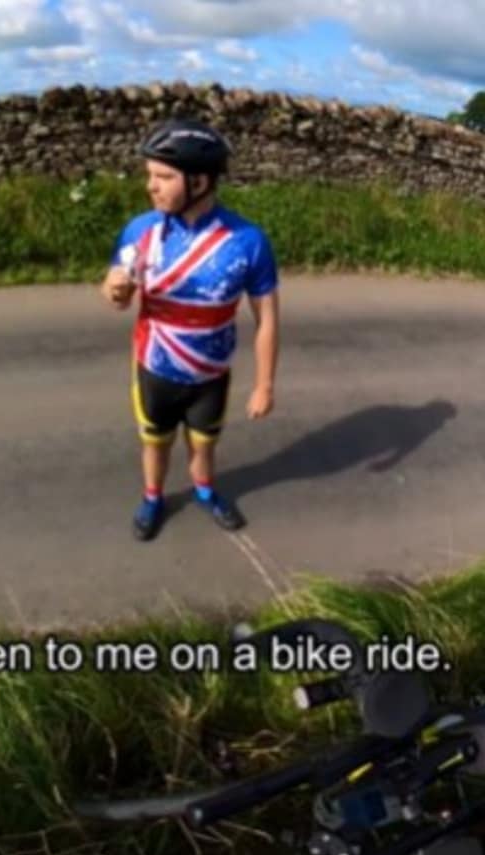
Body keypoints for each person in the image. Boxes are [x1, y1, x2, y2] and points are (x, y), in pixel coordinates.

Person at [100, 119, 281, 541]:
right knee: (156, 444)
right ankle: (152, 498)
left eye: (163, 176)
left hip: (210, 375)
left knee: (204, 445)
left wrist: (265, 385)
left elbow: (267, 317)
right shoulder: (142, 229)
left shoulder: (248, 241)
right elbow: (114, 289)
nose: (151, 186)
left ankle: (204, 491)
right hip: (154, 368)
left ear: (199, 181)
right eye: (150, 175)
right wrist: (113, 290)